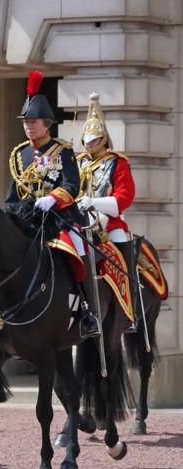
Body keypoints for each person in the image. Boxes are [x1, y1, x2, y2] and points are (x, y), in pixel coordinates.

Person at [0, 71, 99, 338]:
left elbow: (72, 186)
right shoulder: (20, 153)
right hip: (26, 217)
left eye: (33, 122)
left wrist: (53, 198)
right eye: (26, 122)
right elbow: (13, 193)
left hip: (57, 217)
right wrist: (8, 214)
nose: (28, 127)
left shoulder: (63, 151)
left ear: (47, 124)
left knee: (77, 250)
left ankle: (87, 311)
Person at [76, 92, 137, 332]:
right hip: (79, 220)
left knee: (121, 248)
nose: (89, 144)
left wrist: (95, 202)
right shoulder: (79, 162)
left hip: (108, 223)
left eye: (94, 140)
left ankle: (129, 308)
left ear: (103, 139)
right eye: (87, 139)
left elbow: (124, 198)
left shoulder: (117, 162)